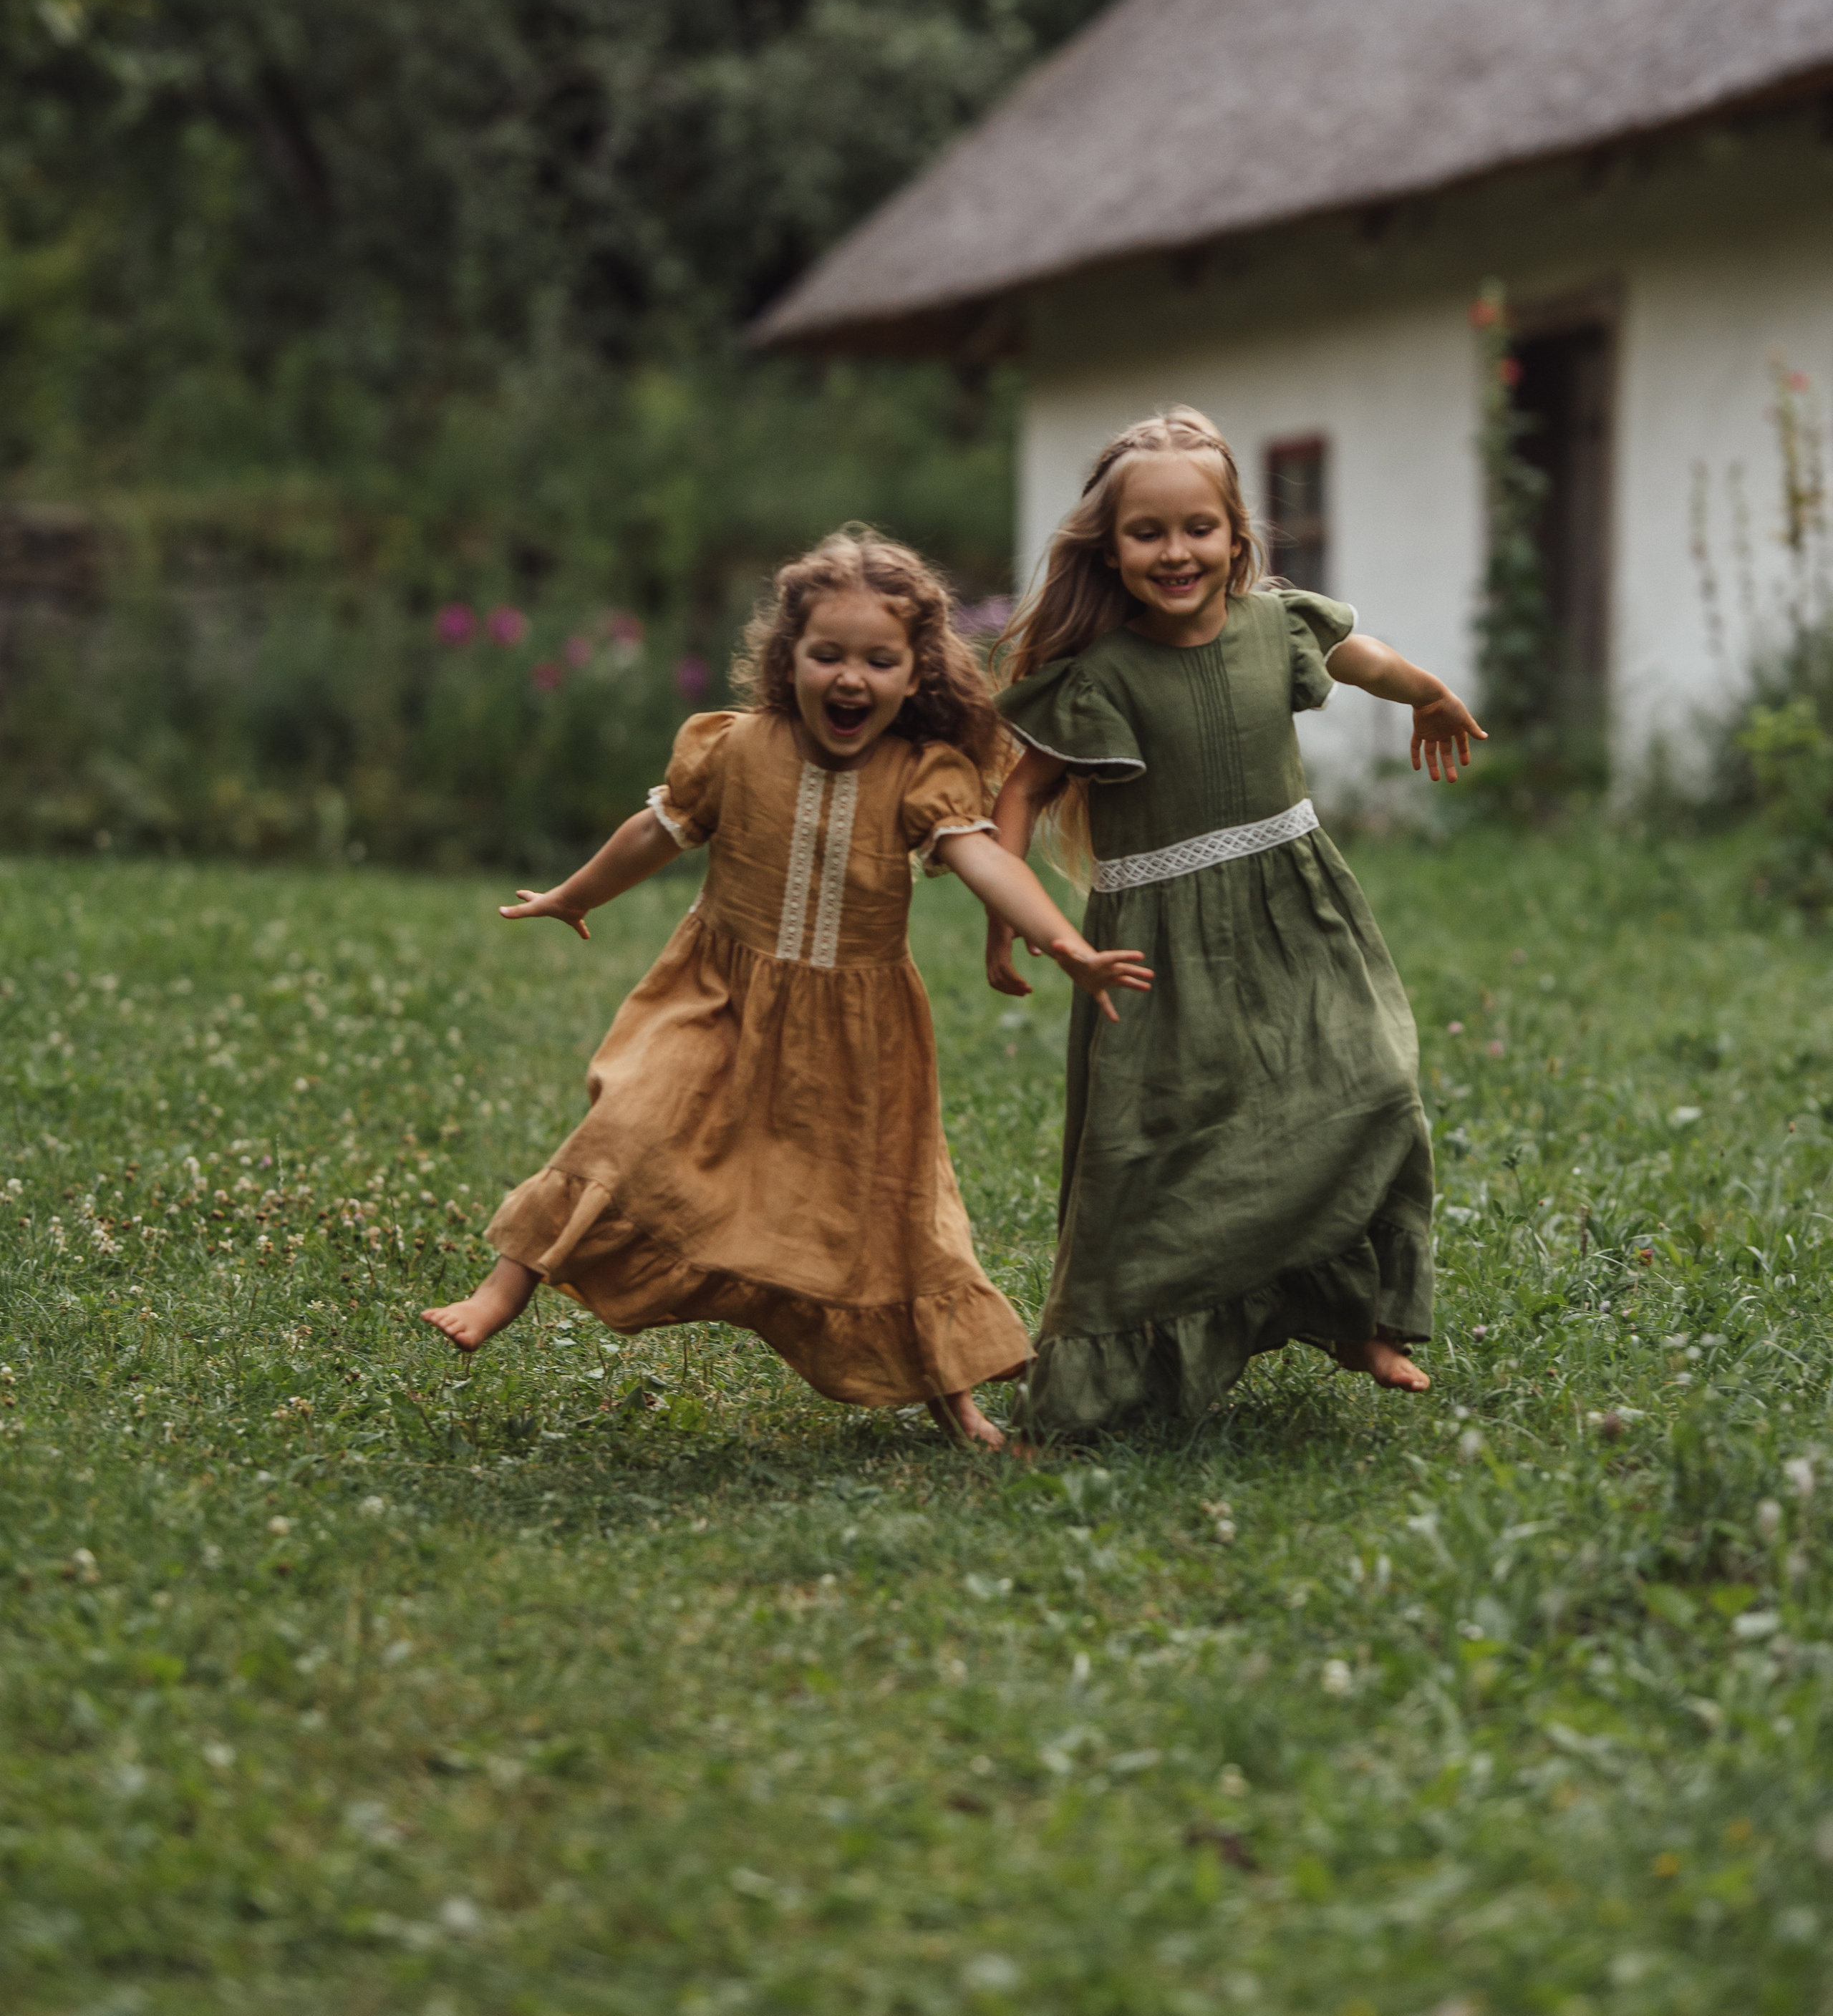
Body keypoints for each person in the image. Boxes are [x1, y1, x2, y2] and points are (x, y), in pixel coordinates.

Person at [422, 528, 1152, 1451]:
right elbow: (656, 832)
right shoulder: (734, 750)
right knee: (629, 1126)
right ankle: (500, 1290)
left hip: (860, 1032)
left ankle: (956, 1402)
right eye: (828, 655)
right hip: (717, 998)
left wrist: (1064, 942)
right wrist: (574, 893)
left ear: (914, 675)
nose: (852, 678)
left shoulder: (919, 776)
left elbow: (982, 859)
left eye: (879, 661)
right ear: (789, 659)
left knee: (889, 1213)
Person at [986, 407, 1484, 1441]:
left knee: (1374, 1080)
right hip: (1155, 940)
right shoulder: (1100, 673)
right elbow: (1022, 792)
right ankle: (1104, 1382)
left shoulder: (1277, 622)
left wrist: (1428, 692)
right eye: (1148, 533)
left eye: (1199, 528)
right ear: (1110, 549)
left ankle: (1352, 1312)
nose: (1177, 552)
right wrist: (1010, 921)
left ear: (1236, 535)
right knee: (1155, 1146)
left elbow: (1360, 654)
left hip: (1295, 902)